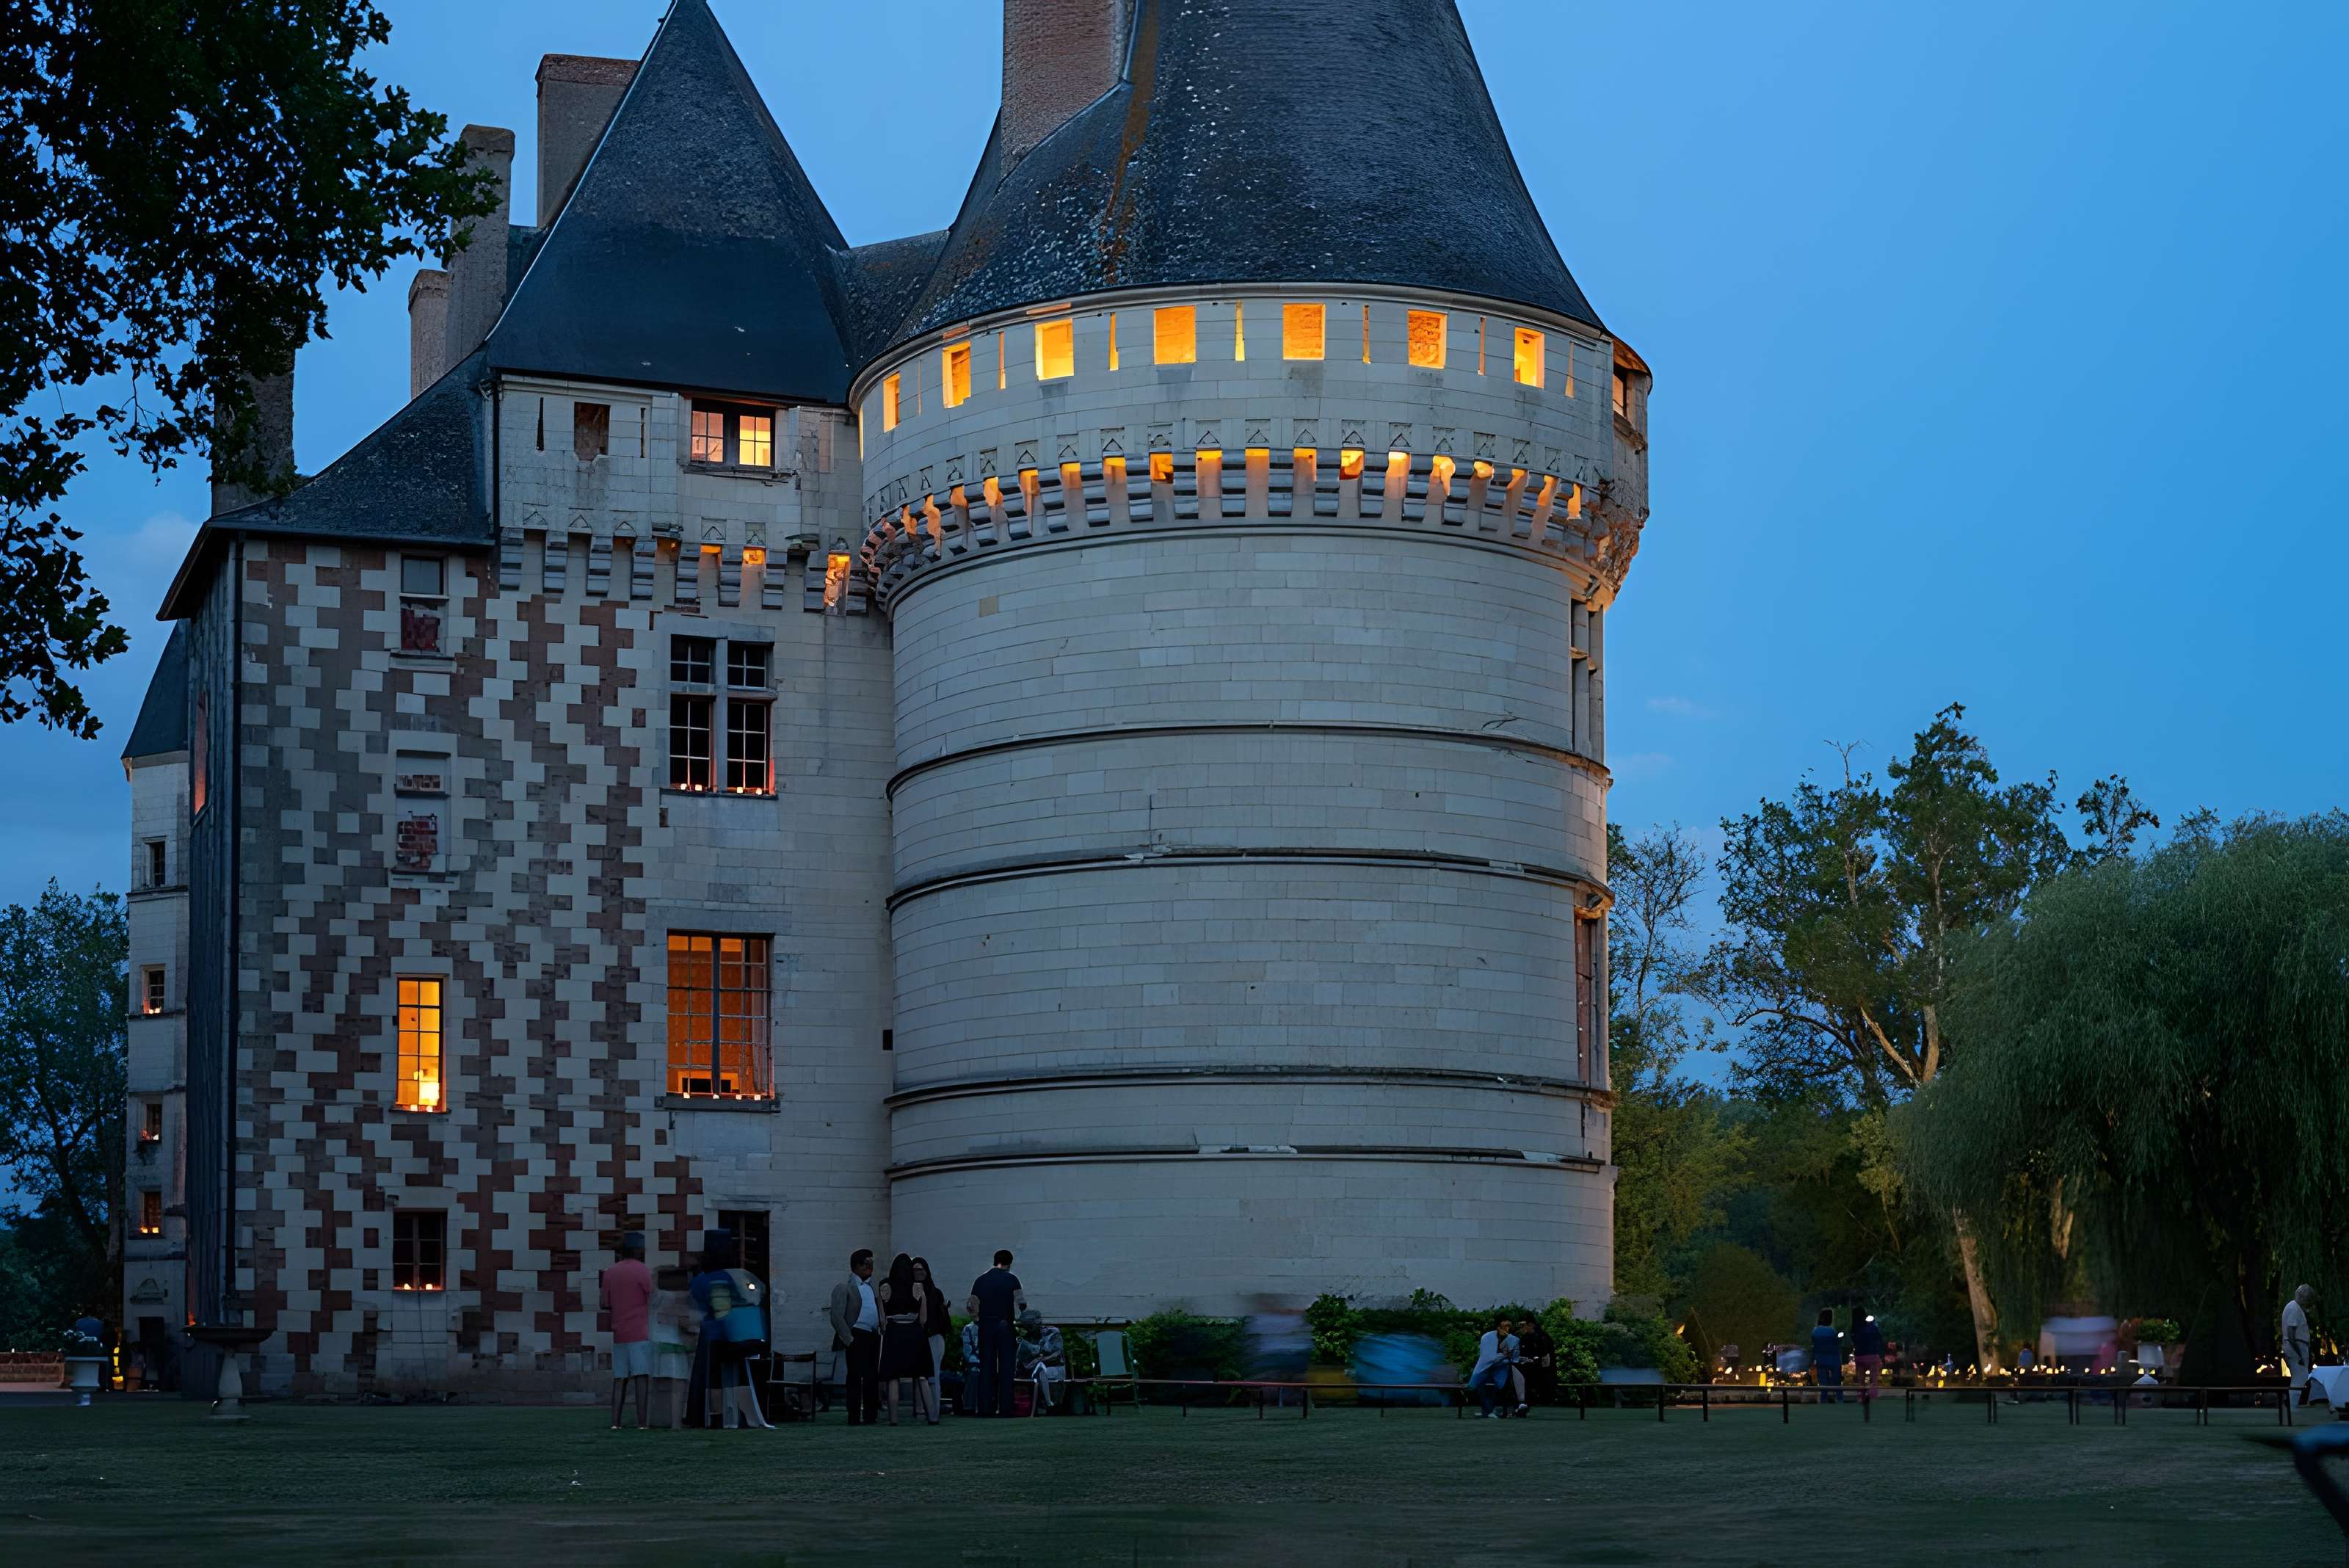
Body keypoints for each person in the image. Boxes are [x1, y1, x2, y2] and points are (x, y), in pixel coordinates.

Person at [691, 1230, 774, 1429]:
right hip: (734, 1332)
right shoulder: (736, 1277)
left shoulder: (700, 1280)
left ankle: (716, 1417)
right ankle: (740, 1415)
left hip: (711, 1333)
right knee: (739, 1375)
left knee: (713, 1378)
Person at [600, 1231, 656, 1430]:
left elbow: (604, 1303)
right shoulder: (643, 1271)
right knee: (641, 1376)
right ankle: (642, 1423)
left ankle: (615, 1422)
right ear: (639, 1250)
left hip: (619, 1331)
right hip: (640, 1330)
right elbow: (653, 1298)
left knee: (620, 1378)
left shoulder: (609, 1272)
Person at [877, 1252, 937, 1426]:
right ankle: (933, 1417)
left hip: (893, 1332)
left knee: (893, 1377)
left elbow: (882, 1319)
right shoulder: (917, 1287)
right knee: (922, 1376)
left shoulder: (884, 1286)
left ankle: (894, 1419)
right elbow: (924, 1319)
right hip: (914, 1332)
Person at [966, 1249, 1026, 1418]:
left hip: (986, 1326)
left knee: (986, 1367)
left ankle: (986, 1408)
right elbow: (1021, 1303)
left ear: (994, 1261)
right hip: (1005, 1325)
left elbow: (971, 1305)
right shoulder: (1012, 1279)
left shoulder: (980, 1280)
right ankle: (1006, 1408)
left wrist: (978, 1320)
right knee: (1007, 1367)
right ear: (1010, 1262)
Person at [827, 1249, 882, 1425]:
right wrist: (848, 1339)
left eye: (871, 1263)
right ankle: (853, 1416)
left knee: (872, 1376)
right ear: (857, 1266)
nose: (870, 1267)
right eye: (867, 1263)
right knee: (855, 1376)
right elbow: (836, 1316)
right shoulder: (845, 1287)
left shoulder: (873, 1287)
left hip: (873, 1335)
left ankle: (871, 1415)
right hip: (856, 1334)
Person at [649, 1264, 699, 1429]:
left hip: (656, 1343)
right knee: (678, 1387)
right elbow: (686, 1322)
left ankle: (655, 1420)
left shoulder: (655, 1296)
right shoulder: (682, 1295)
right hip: (676, 1345)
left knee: (656, 1387)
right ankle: (676, 1423)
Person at [912, 1257, 951, 1421]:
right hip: (918, 1337)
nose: (918, 1273)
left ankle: (932, 1409)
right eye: (915, 1270)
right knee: (919, 1376)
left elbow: (941, 1319)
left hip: (934, 1336)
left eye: (921, 1269)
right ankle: (922, 1409)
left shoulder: (935, 1292)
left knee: (933, 1375)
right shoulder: (910, 1291)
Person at [1017, 1309, 1066, 1415]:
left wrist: (1039, 1359)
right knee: (1038, 1372)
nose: (1028, 1329)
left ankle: (1051, 1405)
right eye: (1026, 1326)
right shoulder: (1026, 1339)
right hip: (1034, 1370)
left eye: (1030, 1325)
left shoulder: (1052, 1332)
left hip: (1054, 1366)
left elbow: (1057, 1353)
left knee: (1044, 1371)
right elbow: (1022, 1361)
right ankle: (1045, 1406)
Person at [1467, 1315, 1514, 1418]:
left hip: (1501, 1368)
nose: (1507, 1329)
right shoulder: (1487, 1337)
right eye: (1504, 1326)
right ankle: (1487, 1411)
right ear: (1498, 1327)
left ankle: (1493, 1411)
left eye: (1509, 1326)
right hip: (1486, 1368)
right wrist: (1505, 1355)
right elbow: (1489, 1357)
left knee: (1500, 1386)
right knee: (1482, 1385)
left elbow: (1514, 1355)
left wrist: (1506, 1358)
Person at [1517, 1314, 1558, 1405]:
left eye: (1523, 1325)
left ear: (1531, 1325)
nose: (1521, 1328)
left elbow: (1547, 1359)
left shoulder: (1543, 1337)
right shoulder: (1525, 1339)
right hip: (1530, 1373)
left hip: (1543, 1374)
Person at [2285, 1284, 2317, 1404]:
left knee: (2299, 1379)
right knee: (2300, 1380)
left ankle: (2294, 1406)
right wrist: (2299, 1354)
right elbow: (2291, 1332)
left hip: (2297, 1350)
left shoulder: (2294, 1307)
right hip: (2297, 1351)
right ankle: (2293, 1407)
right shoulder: (2295, 1309)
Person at [1852, 1309, 1887, 1405]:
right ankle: (1872, 1397)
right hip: (1873, 1355)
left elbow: (1853, 1340)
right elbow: (1879, 1338)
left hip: (1860, 1355)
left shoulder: (1855, 1328)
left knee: (1861, 1380)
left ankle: (1860, 1397)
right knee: (1873, 1380)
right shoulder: (1873, 1326)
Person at [1812, 1310, 1845, 1404]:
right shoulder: (1832, 1331)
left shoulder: (1815, 1331)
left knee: (1823, 1382)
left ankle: (1824, 1400)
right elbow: (1837, 1343)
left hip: (1820, 1358)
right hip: (1833, 1358)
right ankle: (1839, 1399)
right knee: (1837, 1380)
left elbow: (1814, 1345)